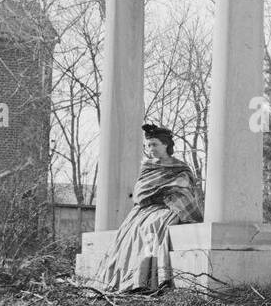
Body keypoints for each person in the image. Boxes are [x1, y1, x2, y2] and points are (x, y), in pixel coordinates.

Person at [86, 123, 203, 294]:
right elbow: (140, 190)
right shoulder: (148, 166)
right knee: (129, 233)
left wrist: (165, 193)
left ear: (166, 145)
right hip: (146, 208)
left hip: (169, 206)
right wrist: (159, 191)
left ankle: (148, 277)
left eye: (154, 144)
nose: (151, 148)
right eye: (148, 145)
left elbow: (182, 188)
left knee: (153, 226)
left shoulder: (180, 168)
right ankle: (133, 275)